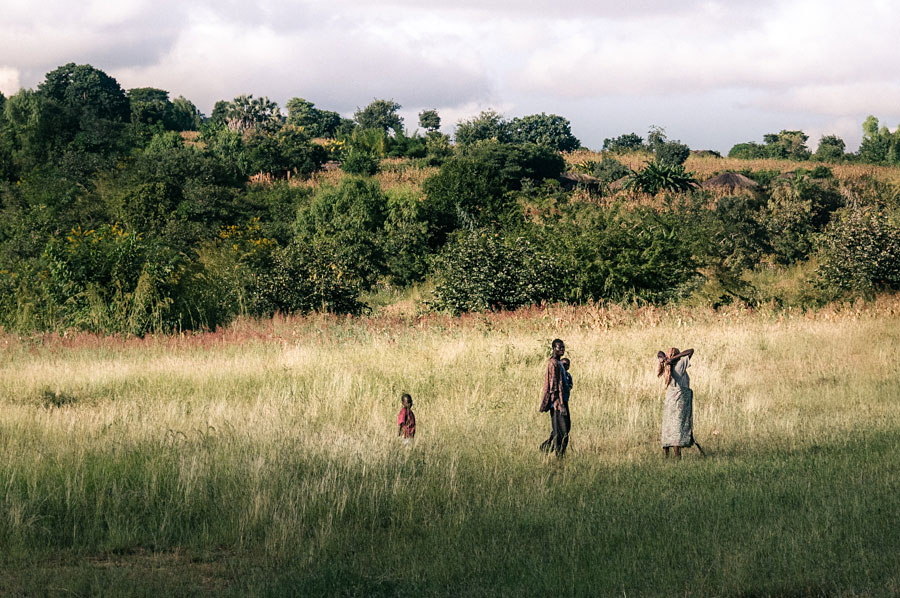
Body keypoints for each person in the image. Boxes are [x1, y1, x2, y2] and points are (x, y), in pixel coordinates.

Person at [657, 347, 695, 459]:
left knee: (668, 426)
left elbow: (659, 353)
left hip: (670, 400)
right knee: (677, 427)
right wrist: (674, 358)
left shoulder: (667, 366)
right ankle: (677, 456)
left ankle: (666, 456)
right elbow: (690, 351)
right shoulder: (679, 365)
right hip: (679, 400)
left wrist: (666, 359)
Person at [539, 339, 570, 457]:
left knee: (565, 428)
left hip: (563, 401)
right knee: (561, 431)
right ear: (553, 349)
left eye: (563, 347)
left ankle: (550, 448)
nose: (562, 349)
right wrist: (559, 403)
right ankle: (558, 455)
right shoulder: (553, 364)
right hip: (557, 403)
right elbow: (554, 386)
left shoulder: (559, 363)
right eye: (559, 347)